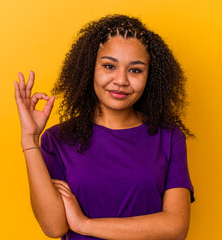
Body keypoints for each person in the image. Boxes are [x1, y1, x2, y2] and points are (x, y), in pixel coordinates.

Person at [14, 14, 195, 240]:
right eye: (109, 66)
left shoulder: (168, 136)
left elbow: (176, 227)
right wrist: (30, 140)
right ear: (90, 68)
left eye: (135, 70)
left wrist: (84, 224)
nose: (121, 80)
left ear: (151, 76)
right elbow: (54, 227)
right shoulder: (57, 139)